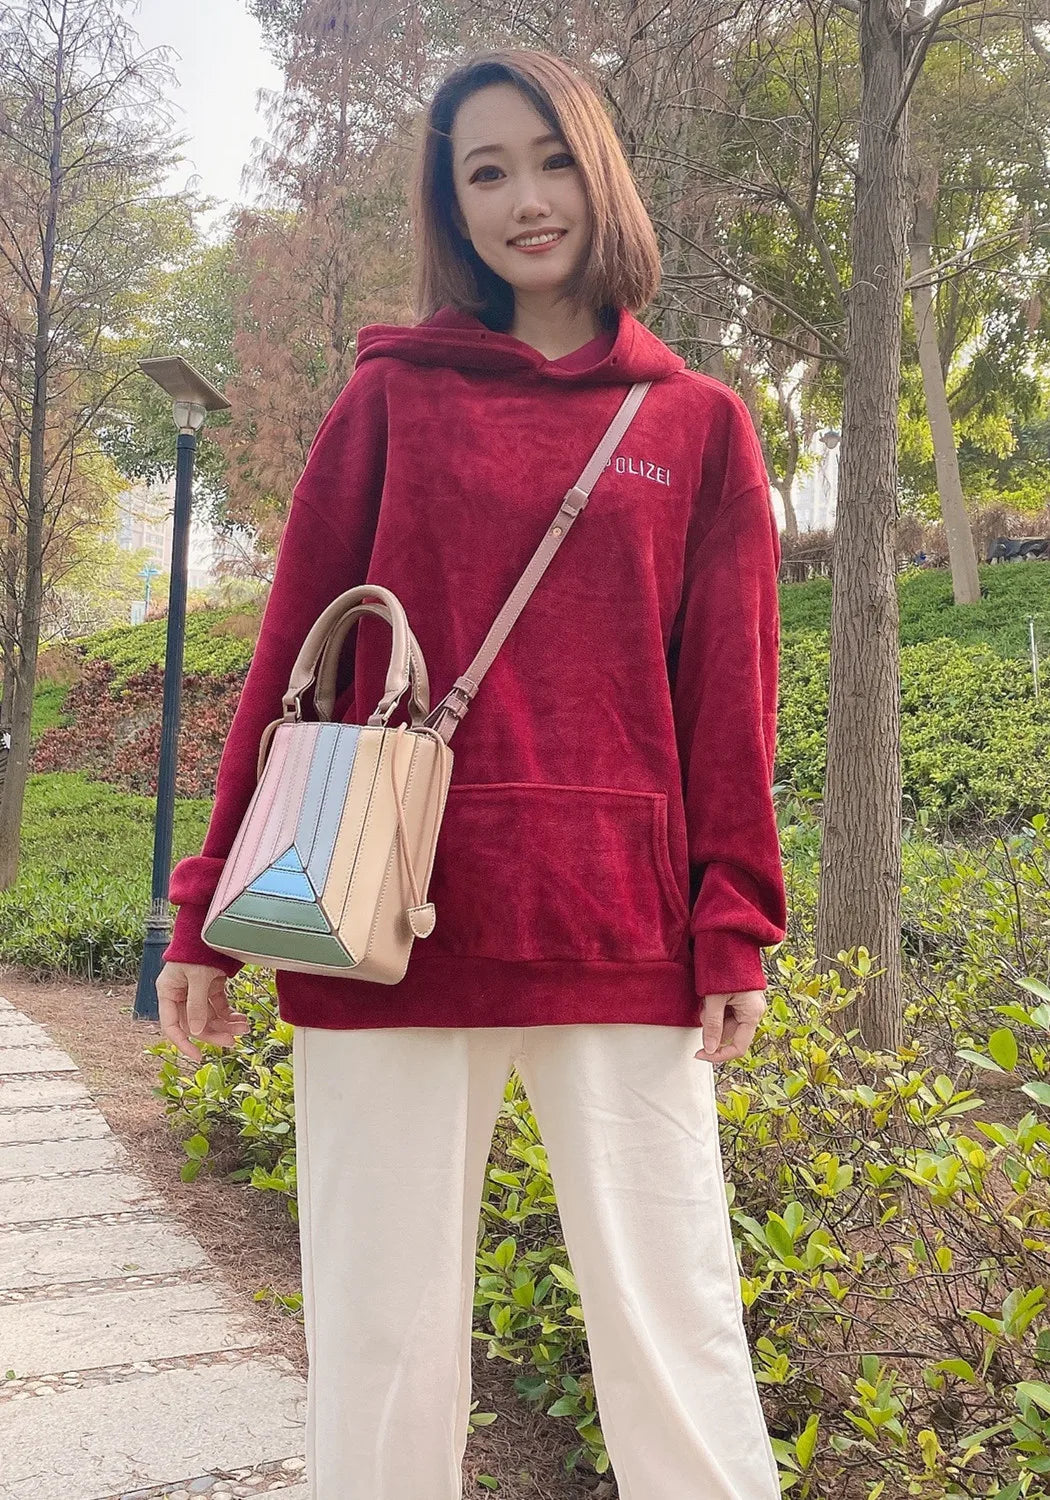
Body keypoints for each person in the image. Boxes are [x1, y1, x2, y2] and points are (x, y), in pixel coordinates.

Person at [156, 46, 788, 1500]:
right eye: (485, 172)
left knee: (676, 1332)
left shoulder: (695, 423)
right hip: (374, 919)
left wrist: (733, 921)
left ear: (600, 171)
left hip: (614, 928)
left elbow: (728, 700)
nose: (525, 199)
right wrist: (204, 912)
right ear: (453, 206)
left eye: (550, 160)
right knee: (381, 1344)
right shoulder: (391, 401)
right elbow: (292, 663)